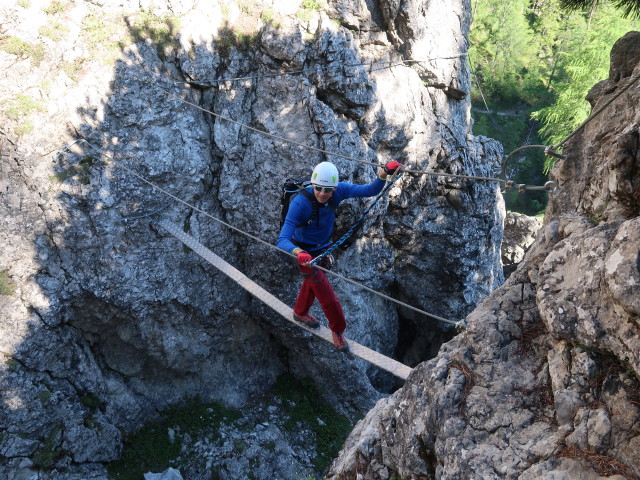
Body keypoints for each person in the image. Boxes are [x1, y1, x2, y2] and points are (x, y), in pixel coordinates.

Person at [277, 160, 402, 352]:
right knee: (328, 297)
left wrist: (383, 173)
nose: (322, 193)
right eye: (318, 188)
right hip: (306, 254)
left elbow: (370, 190)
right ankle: (338, 331)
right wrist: (299, 253)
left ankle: (300, 312)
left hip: (324, 249)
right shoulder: (300, 203)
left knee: (312, 285)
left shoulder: (339, 191)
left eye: (327, 190)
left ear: (334, 188)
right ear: (313, 184)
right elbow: (282, 239)